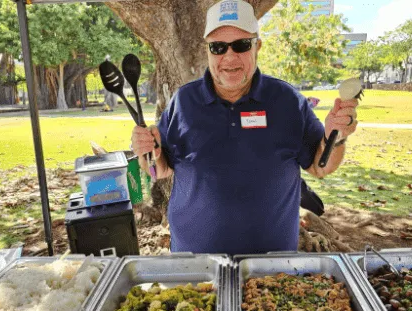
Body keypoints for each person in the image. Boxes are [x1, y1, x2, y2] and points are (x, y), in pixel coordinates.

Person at [131, 0, 358, 255]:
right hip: (194, 263)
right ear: (207, 50)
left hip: (272, 267)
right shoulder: (183, 102)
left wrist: (335, 138)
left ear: (257, 46)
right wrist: (146, 153)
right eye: (218, 47)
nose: (229, 57)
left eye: (241, 45)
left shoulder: (287, 101)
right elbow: (158, 170)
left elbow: (320, 166)